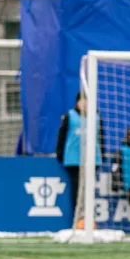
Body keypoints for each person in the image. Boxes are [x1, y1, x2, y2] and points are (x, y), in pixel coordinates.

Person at [56, 92, 103, 222]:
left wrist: (102, 155)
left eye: (87, 101)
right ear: (77, 102)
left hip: (92, 159)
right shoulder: (70, 116)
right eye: (82, 101)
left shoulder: (96, 117)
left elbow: (101, 137)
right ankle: (78, 218)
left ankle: (89, 218)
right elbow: (62, 136)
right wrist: (60, 154)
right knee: (77, 190)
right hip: (74, 159)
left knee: (90, 189)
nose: (84, 104)